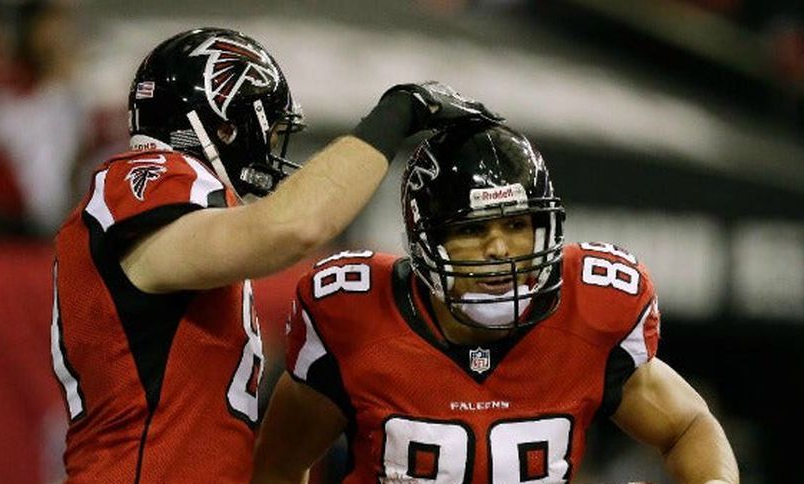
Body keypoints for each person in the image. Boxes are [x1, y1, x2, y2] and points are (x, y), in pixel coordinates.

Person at [50, 27, 500, 483]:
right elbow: (295, 226)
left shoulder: (177, 216)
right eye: (270, 133)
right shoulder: (144, 179)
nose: (270, 150)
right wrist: (399, 112)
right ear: (225, 127)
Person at [253, 122, 740, 483]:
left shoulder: (590, 309)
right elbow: (277, 467)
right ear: (426, 241)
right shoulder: (356, 316)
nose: (500, 249)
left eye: (516, 224)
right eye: (472, 229)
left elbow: (688, 426)